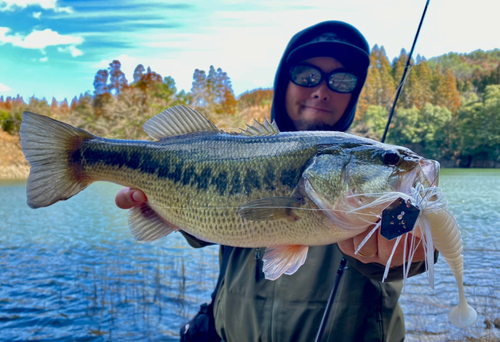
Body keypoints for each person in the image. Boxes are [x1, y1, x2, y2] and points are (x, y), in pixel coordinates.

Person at [116, 21, 433, 342]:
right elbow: (214, 225)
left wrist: (405, 251)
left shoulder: (379, 182)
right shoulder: (231, 151)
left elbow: (418, 245)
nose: (322, 90)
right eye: (307, 75)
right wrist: (165, 210)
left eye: (341, 80)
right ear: (284, 81)